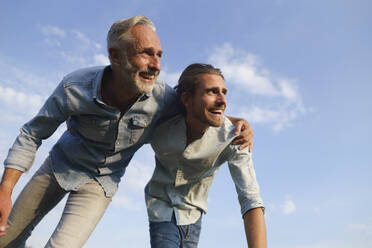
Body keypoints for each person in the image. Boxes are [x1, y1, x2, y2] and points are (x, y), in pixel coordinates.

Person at [0, 16, 253, 248]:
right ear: (116, 56)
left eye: (159, 55)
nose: (156, 65)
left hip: (101, 183)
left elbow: (199, 107)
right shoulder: (74, 87)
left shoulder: (164, 97)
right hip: (59, 166)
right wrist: (5, 191)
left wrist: (237, 121)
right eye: (146, 54)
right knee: (7, 237)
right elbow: (32, 133)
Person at [145, 63, 266, 248]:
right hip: (160, 206)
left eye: (224, 92)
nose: (222, 100)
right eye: (212, 91)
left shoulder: (234, 137)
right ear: (186, 98)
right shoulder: (160, 121)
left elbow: (250, 198)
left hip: (194, 214)